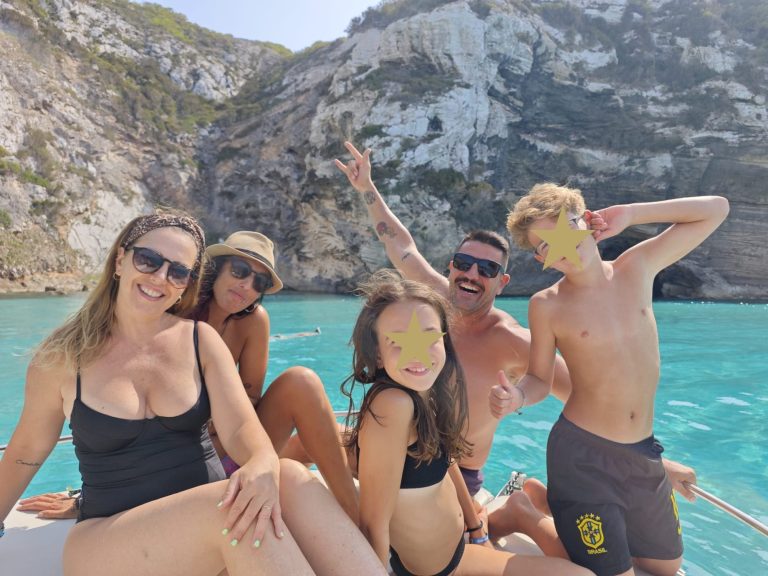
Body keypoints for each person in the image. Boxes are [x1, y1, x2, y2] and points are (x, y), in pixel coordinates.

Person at [334, 142, 698, 557]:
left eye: (488, 269)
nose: (472, 274)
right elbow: (400, 246)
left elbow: (587, 391)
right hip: (389, 454)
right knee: (316, 436)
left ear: (501, 283)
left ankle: (520, 513)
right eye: (464, 263)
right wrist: (368, 189)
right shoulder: (433, 307)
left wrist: (649, 461)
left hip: (451, 473)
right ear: (451, 267)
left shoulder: (513, 338)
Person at [0, 212, 385, 576]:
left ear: (188, 282)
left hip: (206, 528)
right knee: (229, 511)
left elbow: (242, 432)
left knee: (289, 474)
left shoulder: (201, 342)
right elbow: (24, 454)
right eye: (148, 259)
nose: (161, 277)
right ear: (120, 260)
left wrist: (262, 464)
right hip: (110, 537)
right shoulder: (63, 357)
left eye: (178, 271)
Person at [504, 185, 729, 576]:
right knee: (612, 573)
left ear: (588, 222)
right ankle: (526, 515)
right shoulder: (547, 305)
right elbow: (539, 378)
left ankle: (540, 501)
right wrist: (518, 397)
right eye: (544, 245)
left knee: (665, 566)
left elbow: (716, 209)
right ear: (542, 257)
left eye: (564, 227)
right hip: (582, 457)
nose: (561, 246)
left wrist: (630, 213)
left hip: (642, 451)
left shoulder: (636, 267)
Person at [343, 269, 591, 576]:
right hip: (440, 569)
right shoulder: (392, 405)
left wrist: (476, 528)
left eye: (428, 337)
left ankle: (516, 512)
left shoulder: (422, 391)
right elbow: (373, 523)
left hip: (461, 548)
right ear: (377, 354)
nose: (417, 353)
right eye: (398, 341)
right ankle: (520, 511)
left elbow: (447, 463)